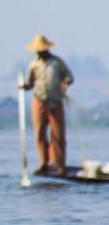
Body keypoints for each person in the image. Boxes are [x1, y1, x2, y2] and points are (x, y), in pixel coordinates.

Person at [19, 35, 74, 176]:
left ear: (47, 49)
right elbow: (30, 83)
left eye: (41, 50)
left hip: (55, 101)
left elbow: (69, 76)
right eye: (37, 50)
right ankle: (44, 163)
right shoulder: (34, 64)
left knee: (58, 134)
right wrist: (24, 86)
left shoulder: (57, 62)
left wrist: (66, 82)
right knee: (40, 133)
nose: (39, 52)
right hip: (39, 101)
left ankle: (59, 164)